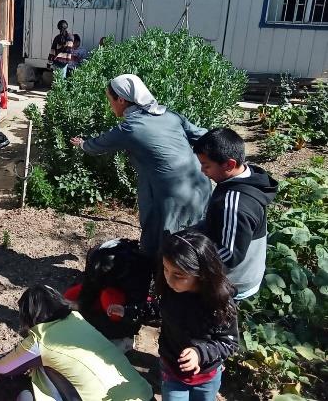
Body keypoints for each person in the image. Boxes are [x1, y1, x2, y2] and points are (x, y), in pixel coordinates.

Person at [70, 74, 212, 257]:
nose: (109, 104)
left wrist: (82, 144)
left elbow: (98, 145)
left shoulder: (130, 128)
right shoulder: (170, 116)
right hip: (200, 183)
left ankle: (157, 279)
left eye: (109, 99)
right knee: (194, 239)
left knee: (162, 243)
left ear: (121, 100)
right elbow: (204, 136)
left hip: (168, 193)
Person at [108, 231, 239, 401]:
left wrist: (200, 353)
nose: (169, 279)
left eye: (178, 275)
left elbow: (229, 342)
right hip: (171, 369)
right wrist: (128, 311)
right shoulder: (169, 291)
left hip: (206, 377)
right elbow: (155, 308)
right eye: (166, 269)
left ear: (202, 273)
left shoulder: (219, 303)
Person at [0, 285, 154, 401]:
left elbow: (2, 367)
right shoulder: (77, 319)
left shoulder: (42, 338)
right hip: (143, 395)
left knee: (25, 396)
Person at [193, 128, 278, 300]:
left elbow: (229, 255)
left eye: (206, 165)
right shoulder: (245, 177)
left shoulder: (235, 204)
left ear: (230, 164)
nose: (202, 171)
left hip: (234, 283)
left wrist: (190, 258)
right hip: (248, 272)